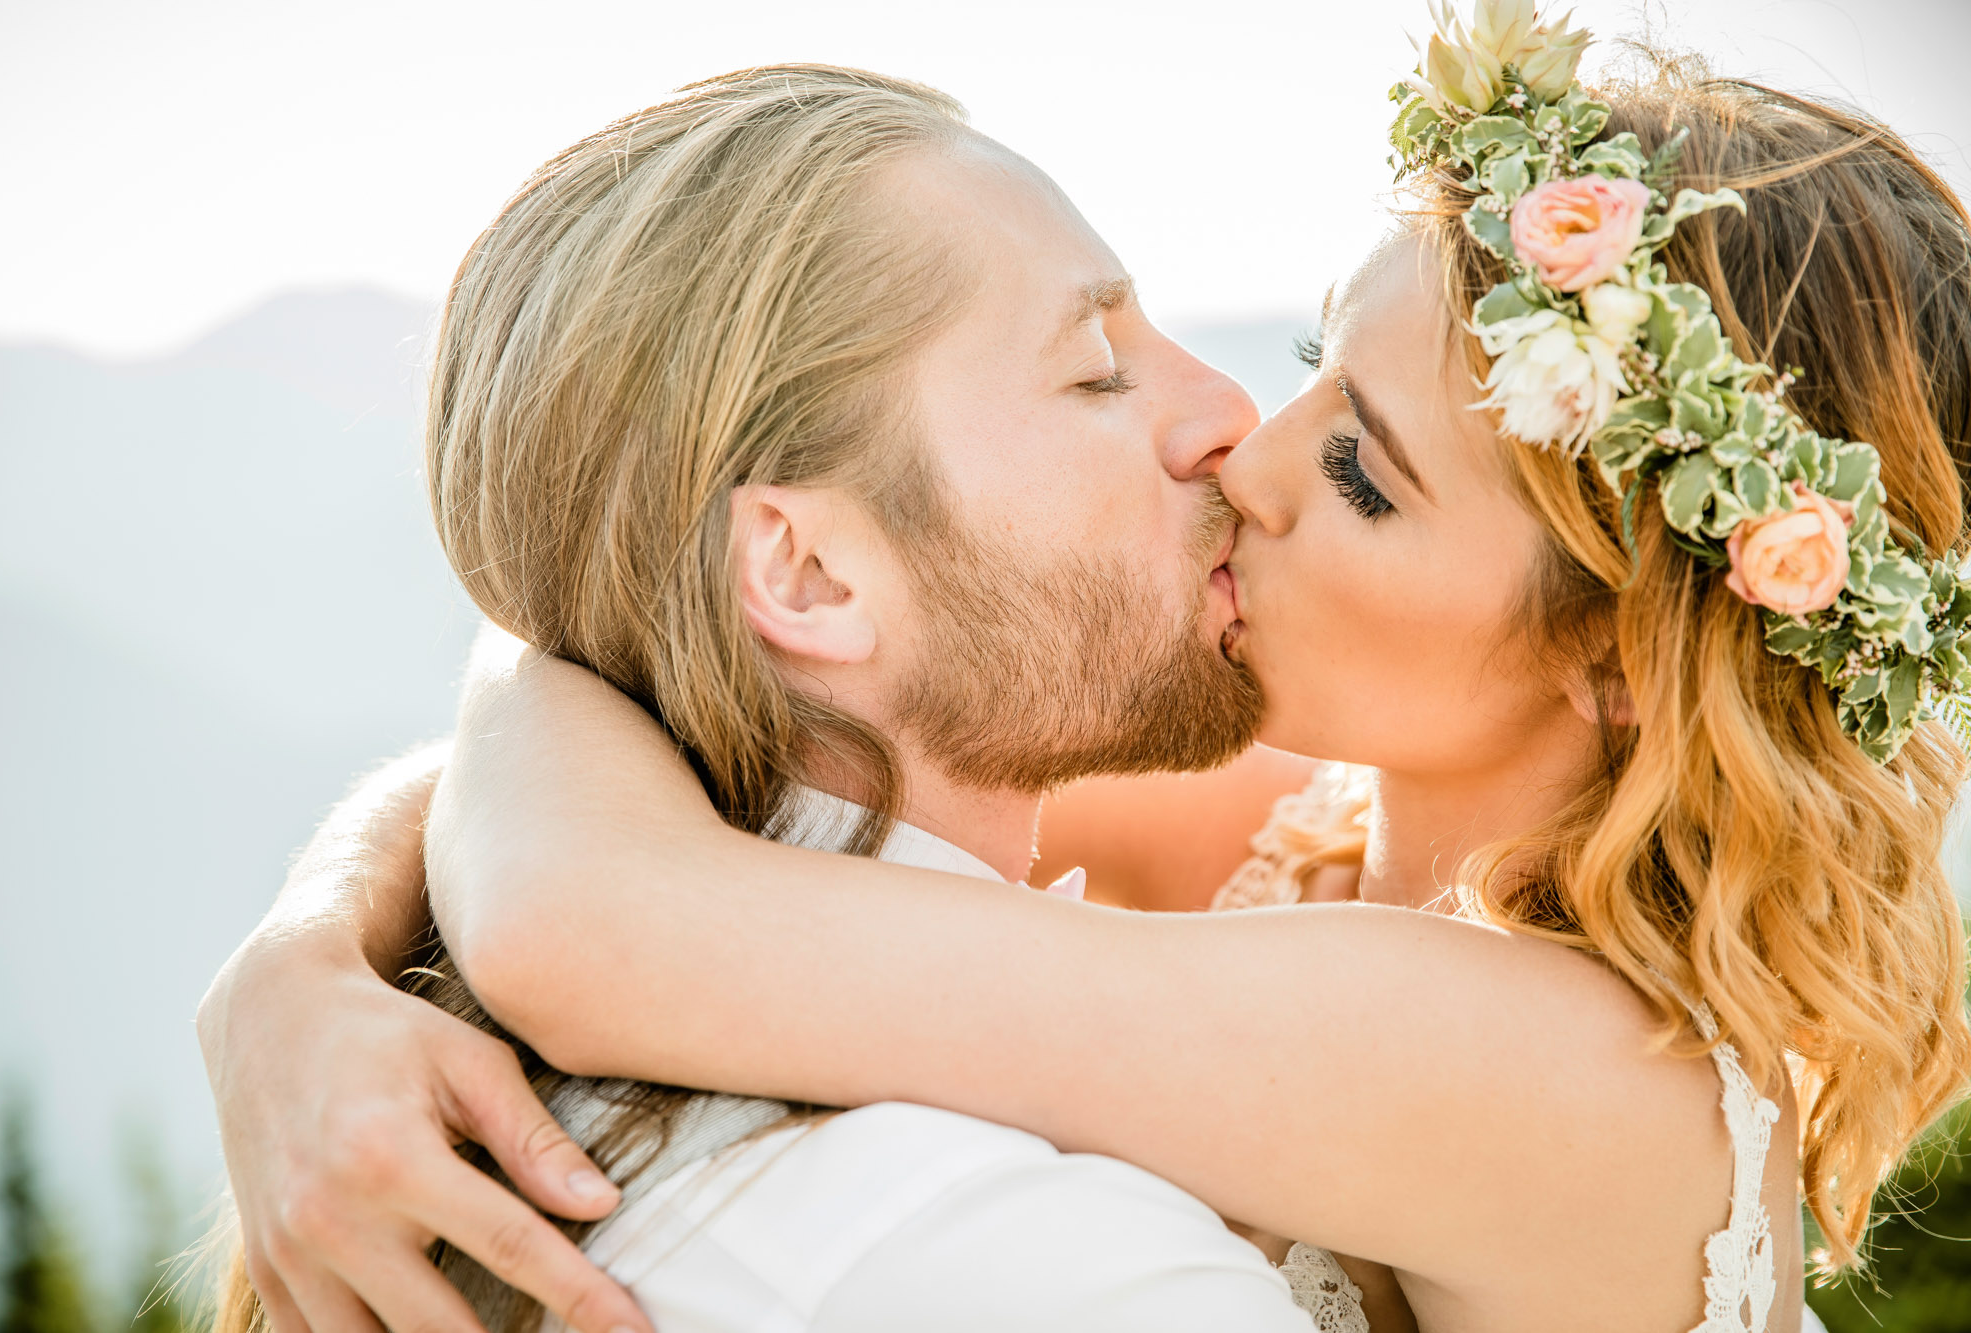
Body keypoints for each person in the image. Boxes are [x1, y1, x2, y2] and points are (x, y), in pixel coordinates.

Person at [200, 6, 1971, 1332]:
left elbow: (606, 919)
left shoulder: (1568, 1068)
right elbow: (692, 667)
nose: (1243, 454)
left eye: (1363, 473)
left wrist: (287, 980)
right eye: (1308, 366)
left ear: (1622, 666)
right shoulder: (1303, 831)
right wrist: (315, 926)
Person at [206, 60, 1341, 1333]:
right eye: (1093, 373)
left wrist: (307, 935)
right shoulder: (1026, 1260)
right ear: (803, 573)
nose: (1226, 413)